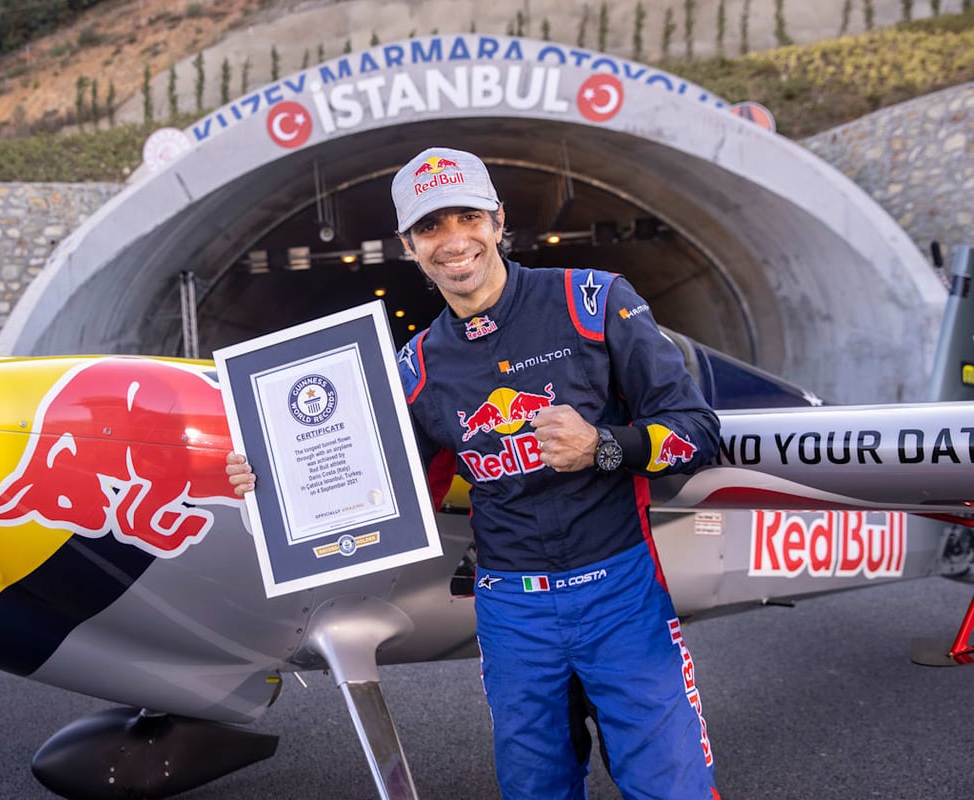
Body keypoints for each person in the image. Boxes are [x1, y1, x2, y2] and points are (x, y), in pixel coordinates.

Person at [226, 146, 722, 800]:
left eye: (467, 217)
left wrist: (603, 445)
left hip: (619, 590)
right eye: (432, 227)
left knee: (672, 787)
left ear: (497, 220)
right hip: (512, 608)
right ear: (409, 244)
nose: (454, 240)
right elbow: (374, 482)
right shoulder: (416, 366)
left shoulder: (593, 300)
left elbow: (698, 432)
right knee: (534, 789)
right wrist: (270, 476)